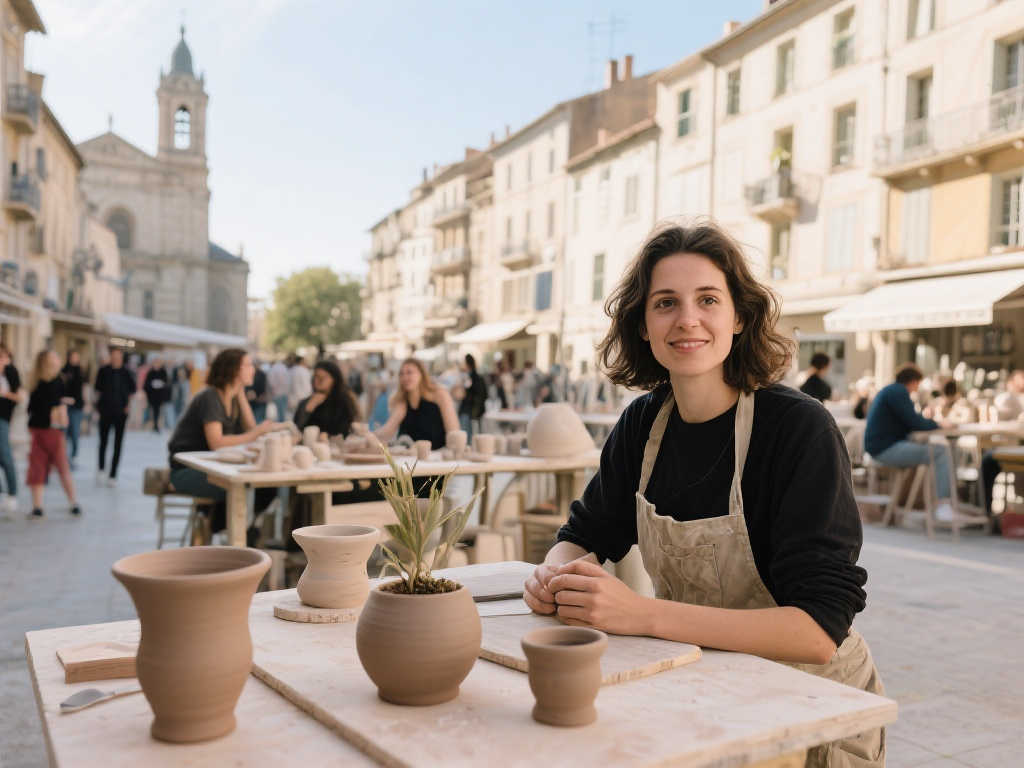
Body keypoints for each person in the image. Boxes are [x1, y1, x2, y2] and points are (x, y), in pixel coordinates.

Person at [523, 224, 884, 767]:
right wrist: (557, 574)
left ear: (738, 317)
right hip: (705, 688)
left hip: (810, 712)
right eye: (665, 302)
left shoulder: (797, 429)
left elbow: (817, 631)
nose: (687, 319)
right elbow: (585, 534)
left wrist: (641, 614)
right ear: (643, 325)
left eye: (708, 300)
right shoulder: (642, 424)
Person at [167, 348, 282, 534]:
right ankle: (224, 533)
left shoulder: (233, 398)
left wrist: (240, 392)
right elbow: (217, 443)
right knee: (239, 487)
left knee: (267, 488)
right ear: (235, 370)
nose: (253, 369)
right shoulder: (210, 396)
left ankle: (236, 533)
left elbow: (253, 430)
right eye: (248, 365)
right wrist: (257, 432)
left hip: (212, 468)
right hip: (186, 470)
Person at [865, 363, 953, 521]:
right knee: (941, 451)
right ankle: (943, 505)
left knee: (933, 450)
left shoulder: (890, 391)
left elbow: (909, 422)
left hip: (881, 446)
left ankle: (932, 505)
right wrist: (939, 424)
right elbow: (914, 422)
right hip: (885, 449)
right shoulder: (898, 392)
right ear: (913, 381)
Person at [26, 350, 80, 518]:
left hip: (50, 431)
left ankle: (71, 503)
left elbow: (58, 408)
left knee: (60, 467)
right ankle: (39, 506)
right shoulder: (42, 382)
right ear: (47, 362)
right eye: (55, 357)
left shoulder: (54, 382)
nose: (58, 360)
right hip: (43, 430)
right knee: (40, 468)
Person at [375, 358, 459, 449]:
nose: (405, 377)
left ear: (421, 374)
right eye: (401, 374)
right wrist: (367, 435)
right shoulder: (402, 402)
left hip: (436, 456)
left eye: (409, 372)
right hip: (409, 457)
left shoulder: (439, 395)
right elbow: (387, 431)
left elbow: (453, 431)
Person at [94, 348, 136, 487]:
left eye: (118, 356)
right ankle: (101, 468)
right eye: (113, 356)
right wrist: (97, 408)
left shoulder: (127, 373)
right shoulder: (103, 371)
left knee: (118, 444)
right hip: (105, 411)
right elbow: (98, 391)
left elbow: (132, 391)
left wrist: (127, 406)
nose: (116, 358)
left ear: (122, 357)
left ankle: (113, 474)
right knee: (103, 441)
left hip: (120, 413)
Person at [293, 360, 360, 438]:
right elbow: (296, 430)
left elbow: (346, 429)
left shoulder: (344, 401)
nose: (320, 381)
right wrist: (307, 410)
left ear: (334, 380)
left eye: (324, 377)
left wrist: (326, 436)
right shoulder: (306, 402)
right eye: (317, 376)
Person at [0, 344, 22, 515]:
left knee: (5, 455)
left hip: (3, 418)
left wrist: (5, 393)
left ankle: (12, 493)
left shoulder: (11, 372)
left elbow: (19, 397)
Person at [61, 350, 86, 469]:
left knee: (75, 434)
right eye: (73, 357)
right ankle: (64, 459)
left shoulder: (80, 372)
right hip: (65, 406)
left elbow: (82, 389)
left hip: (77, 407)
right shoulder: (64, 371)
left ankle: (73, 457)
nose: (75, 359)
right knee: (64, 434)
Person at [458, 354, 487, 438]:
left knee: (466, 436)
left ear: (467, 364)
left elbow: (466, 394)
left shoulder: (470, 377)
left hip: (469, 411)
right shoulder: (476, 377)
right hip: (474, 411)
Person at [144, 357, 171, 433]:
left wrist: (161, 384)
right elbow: (146, 383)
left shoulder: (163, 372)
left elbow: (166, 383)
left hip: (160, 395)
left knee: (158, 411)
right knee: (151, 411)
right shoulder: (151, 372)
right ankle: (152, 424)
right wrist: (152, 384)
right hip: (152, 395)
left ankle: (156, 425)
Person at [246, 359, 270, 423]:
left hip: (260, 400)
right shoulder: (259, 374)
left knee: (259, 420)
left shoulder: (262, 374)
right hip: (253, 401)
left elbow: (265, 387)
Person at [268, 356, 291, 421]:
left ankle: (281, 425)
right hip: (284, 393)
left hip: (277, 394)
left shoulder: (273, 369)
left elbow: (271, 382)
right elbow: (288, 380)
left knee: (279, 412)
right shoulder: (284, 368)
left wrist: (273, 392)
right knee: (283, 412)